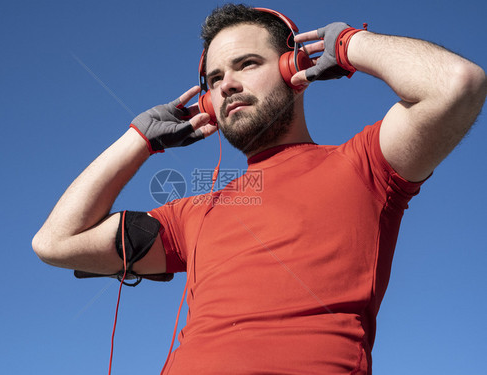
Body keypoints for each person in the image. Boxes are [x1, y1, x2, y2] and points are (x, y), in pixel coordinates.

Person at [32, 4, 486, 374]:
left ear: (296, 67)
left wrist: (350, 45)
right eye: (214, 79)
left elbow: (456, 84)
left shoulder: (365, 165)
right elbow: (56, 242)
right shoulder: (192, 213)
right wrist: (139, 138)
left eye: (247, 64)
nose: (227, 84)